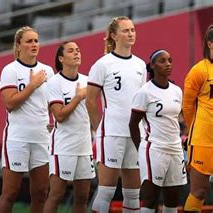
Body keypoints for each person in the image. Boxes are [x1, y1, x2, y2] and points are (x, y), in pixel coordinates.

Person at [86, 16, 147, 212]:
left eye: (133, 30)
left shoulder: (140, 65)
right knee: (106, 191)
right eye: (125, 30)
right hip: (111, 133)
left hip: (135, 134)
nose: (131, 33)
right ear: (114, 35)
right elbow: (90, 101)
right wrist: (100, 129)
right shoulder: (103, 64)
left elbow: (141, 102)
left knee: (133, 194)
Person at [0, 26, 54, 212]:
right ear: (18, 45)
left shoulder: (47, 70)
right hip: (17, 138)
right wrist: (32, 85)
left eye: (36, 40)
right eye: (29, 41)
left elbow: (51, 101)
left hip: (41, 137)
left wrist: (52, 119)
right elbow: (10, 104)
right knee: (10, 193)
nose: (34, 44)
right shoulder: (10, 70)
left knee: (40, 192)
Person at [129, 49, 186, 213]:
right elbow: (133, 124)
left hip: (175, 150)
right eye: (162, 61)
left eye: (170, 60)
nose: (168, 64)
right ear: (152, 65)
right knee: (150, 199)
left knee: (172, 200)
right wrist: (142, 149)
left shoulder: (176, 90)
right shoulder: (145, 92)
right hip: (154, 149)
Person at [43, 41, 94, 213]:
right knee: (56, 194)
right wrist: (78, 97)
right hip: (63, 146)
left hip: (85, 146)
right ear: (61, 58)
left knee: (82, 197)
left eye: (78, 50)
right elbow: (60, 116)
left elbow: (93, 112)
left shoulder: (88, 81)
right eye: (71, 51)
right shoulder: (54, 83)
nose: (76, 53)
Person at [183, 24, 213, 212]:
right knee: (199, 192)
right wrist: (197, 130)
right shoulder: (198, 71)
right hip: (203, 140)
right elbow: (187, 107)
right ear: (210, 43)